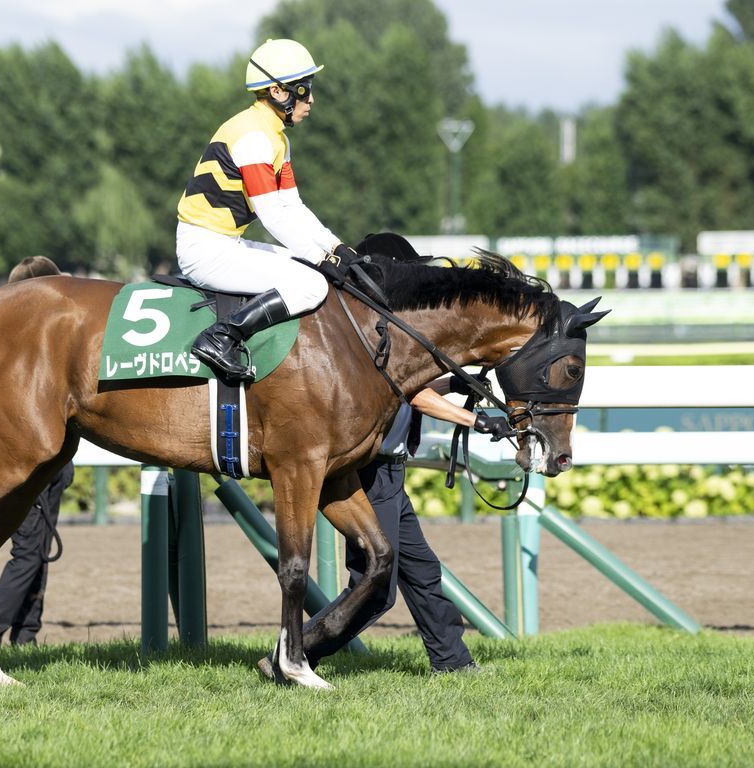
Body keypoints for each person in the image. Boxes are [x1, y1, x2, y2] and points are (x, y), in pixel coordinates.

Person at [263, 378, 513, 678]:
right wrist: (475, 421)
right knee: (374, 588)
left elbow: (410, 389)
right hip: (370, 476)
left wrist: (451, 385)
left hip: (391, 475)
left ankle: (452, 661)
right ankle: (292, 653)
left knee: (422, 571)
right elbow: (414, 395)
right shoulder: (384, 353)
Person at [176, 38, 360, 382]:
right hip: (204, 250)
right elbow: (272, 215)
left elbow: (292, 205)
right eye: (304, 89)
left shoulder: (276, 137)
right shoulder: (253, 137)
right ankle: (221, 337)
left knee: (312, 268)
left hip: (223, 243)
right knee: (312, 285)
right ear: (277, 91)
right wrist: (321, 260)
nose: (311, 99)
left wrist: (336, 247)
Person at [0, 256, 76, 646]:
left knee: (36, 550)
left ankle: (26, 635)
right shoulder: (27, 346)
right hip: (30, 461)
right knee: (28, 553)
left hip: (44, 462)